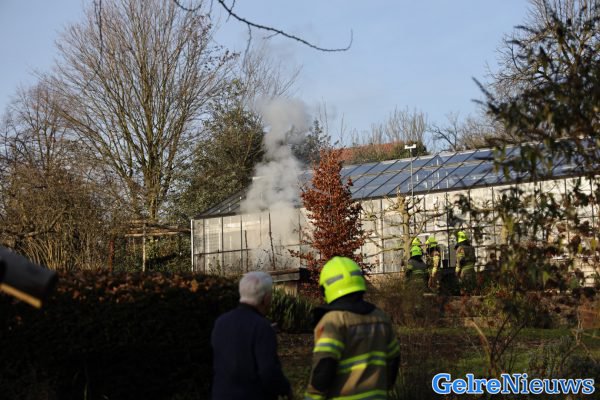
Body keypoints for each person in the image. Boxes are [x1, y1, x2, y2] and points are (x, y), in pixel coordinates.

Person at [304, 256, 400, 399]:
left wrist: (313, 396)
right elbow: (394, 359)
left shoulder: (333, 321)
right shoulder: (381, 318)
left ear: (325, 289)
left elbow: (325, 366)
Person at [211, 271, 292, 400]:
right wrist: (285, 388)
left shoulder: (220, 322)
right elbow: (268, 371)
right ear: (265, 298)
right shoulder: (262, 327)